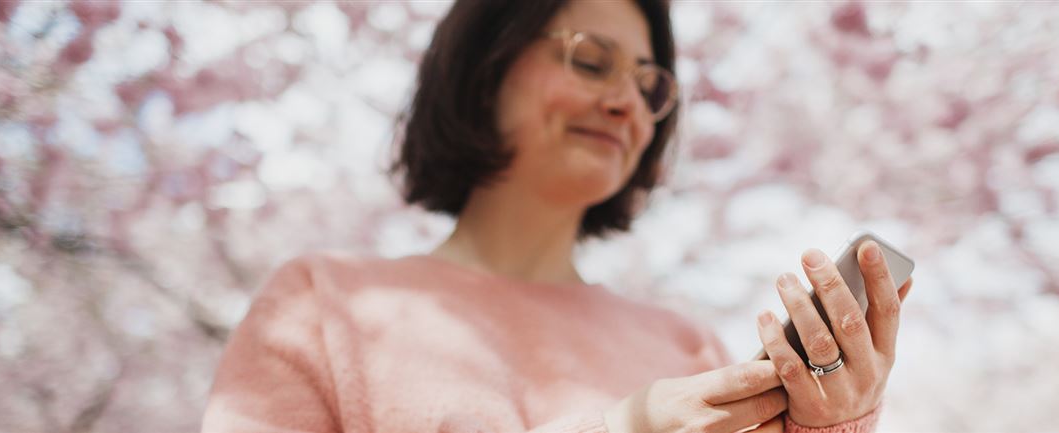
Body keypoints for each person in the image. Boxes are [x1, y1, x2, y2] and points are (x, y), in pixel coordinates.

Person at [200, 1, 913, 432]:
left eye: (647, 83)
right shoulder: (322, 305)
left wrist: (830, 425)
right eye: (591, 61)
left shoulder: (686, 342)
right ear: (485, 67)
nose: (626, 103)